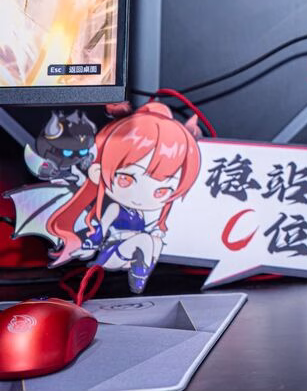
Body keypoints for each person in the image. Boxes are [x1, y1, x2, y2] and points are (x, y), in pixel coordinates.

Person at [46, 102, 202, 293]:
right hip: (112, 253)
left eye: (161, 191)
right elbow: (100, 231)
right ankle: (139, 276)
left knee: (155, 241)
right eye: (126, 179)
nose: (144, 195)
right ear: (97, 172)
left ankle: (140, 274)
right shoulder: (115, 208)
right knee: (145, 241)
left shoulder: (142, 214)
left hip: (134, 257)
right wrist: (87, 246)